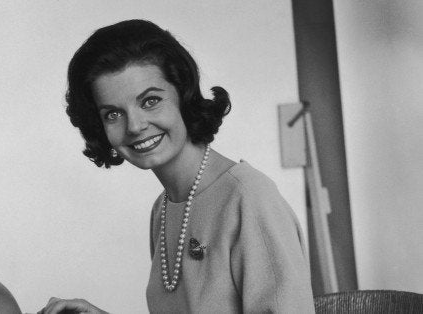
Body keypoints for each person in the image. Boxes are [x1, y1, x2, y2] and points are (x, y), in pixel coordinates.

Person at [39, 19, 315, 313]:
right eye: (113, 114)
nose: (134, 126)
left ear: (182, 95)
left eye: (150, 101)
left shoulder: (248, 198)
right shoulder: (164, 209)